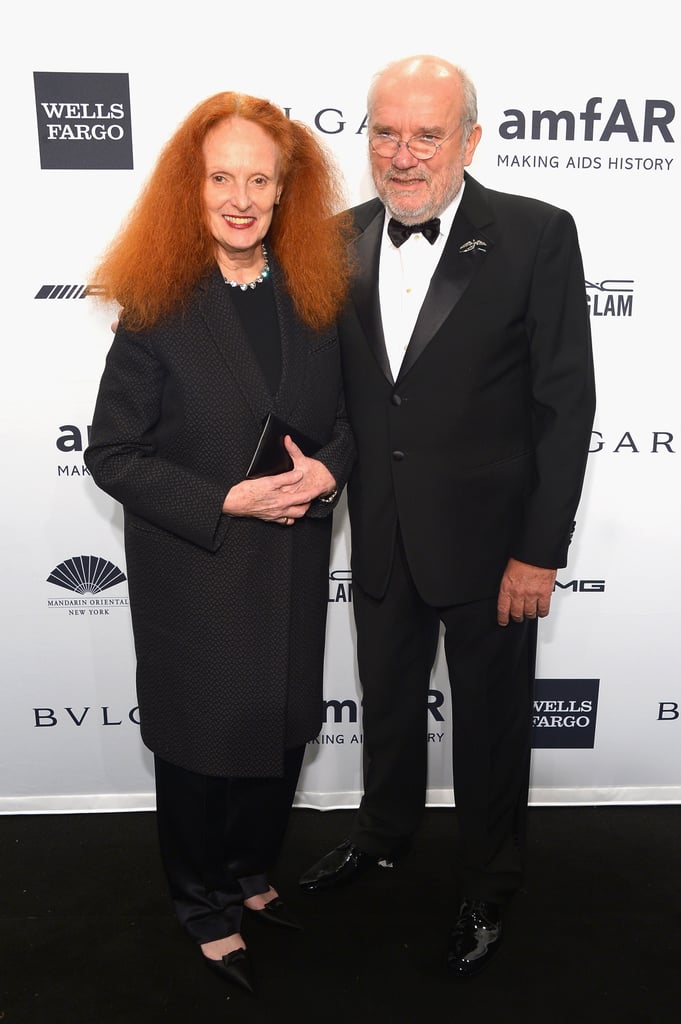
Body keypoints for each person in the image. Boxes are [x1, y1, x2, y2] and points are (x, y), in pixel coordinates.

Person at [298, 55, 596, 979]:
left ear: (469, 138)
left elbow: (563, 402)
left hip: (492, 547)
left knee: (494, 723)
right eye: (386, 132)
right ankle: (384, 835)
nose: (404, 153)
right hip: (379, 532)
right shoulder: (335, 238)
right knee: (386, 707)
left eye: (427, 133)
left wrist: (538, 554)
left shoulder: (537, 234)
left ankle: (488, 880)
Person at [84, 91, 355, 995]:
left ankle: (249, 875)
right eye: (221, 178)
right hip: (197, 573)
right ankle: (202, 907)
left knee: (278, 742)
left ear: (286, 194)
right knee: (201, 754)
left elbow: (351, 422)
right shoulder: (158, 306)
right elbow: (113, 453)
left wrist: (329, 471)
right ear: (189, 190)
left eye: (260, 181)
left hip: (291, 565)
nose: (241, 198)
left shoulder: (316, 293)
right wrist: (223, 499)